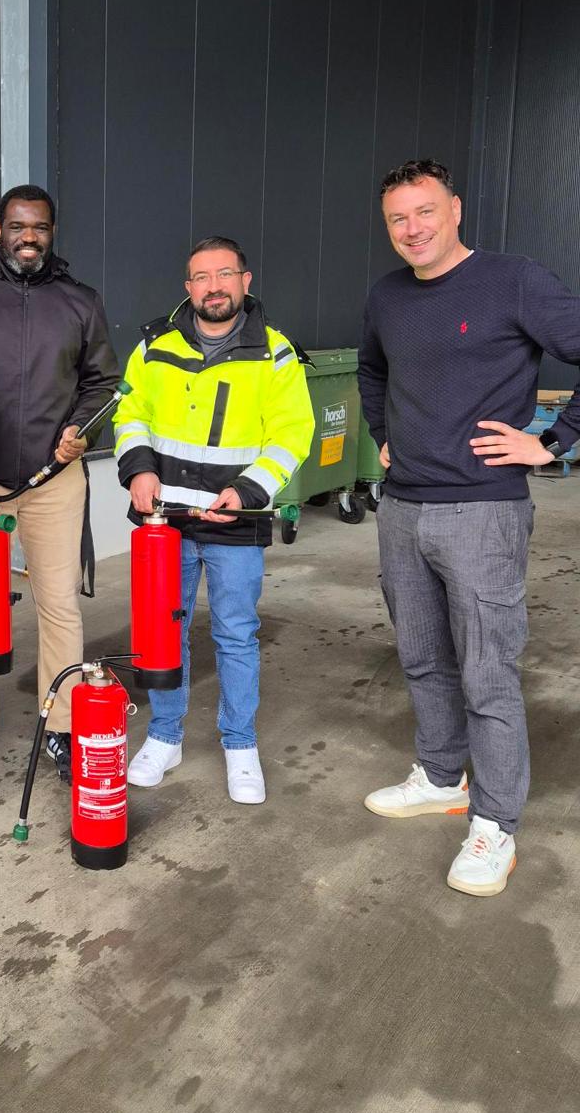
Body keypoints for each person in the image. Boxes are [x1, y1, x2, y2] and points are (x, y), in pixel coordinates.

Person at [359, 159, 580, 896]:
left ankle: (495, 822)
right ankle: (442, 775)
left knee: (488, 672)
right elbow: (371, 371)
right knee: (421, 657)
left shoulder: (515, 280)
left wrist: (550, 443)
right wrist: (382, 433)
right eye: (398, 218)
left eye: (424, 212)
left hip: (483, 510)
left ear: (454, 209)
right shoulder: (387, 296)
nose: (412, 229)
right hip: (403, 505)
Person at [0, 185, 119, 783]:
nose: (27, 237)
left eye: (38, 227)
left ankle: (60, 723)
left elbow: (103, 384)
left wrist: (79, 432)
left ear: (52, 232)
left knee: (58, 605)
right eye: (17, 226)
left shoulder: (80, 302)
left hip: (54, 479)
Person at [113, 237, 313, 803]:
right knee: (162, 632)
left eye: (226, 274)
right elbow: (130, 413)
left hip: (235, 522)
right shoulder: (154, 345)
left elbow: (292, 433)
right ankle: (165, 735)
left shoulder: (275, 353)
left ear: (246, 282)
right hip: (164, 522)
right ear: (188, 288)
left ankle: (240, 744)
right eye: (202, 277)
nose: (215, 285)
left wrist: (247, 490)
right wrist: (137, 470)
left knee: (236, 635)